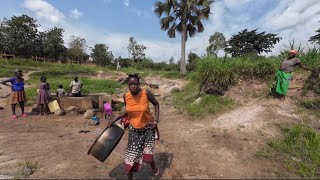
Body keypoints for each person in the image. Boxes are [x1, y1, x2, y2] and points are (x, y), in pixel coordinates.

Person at [107, 74, 160, 180]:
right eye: (131, 84)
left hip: (148, 128)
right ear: (128, 85)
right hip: (134, 130)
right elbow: (128, 111)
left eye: (135, 84)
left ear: (139, 84)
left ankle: (153, 165)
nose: (133, 86)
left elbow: (156, 104)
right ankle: (130, 177)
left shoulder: (146, 93)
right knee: (131, 156)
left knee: (147, 156)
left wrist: (156, 121)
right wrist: (115, 119)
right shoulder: (126, 96)